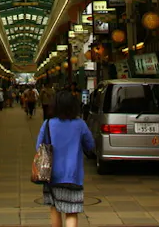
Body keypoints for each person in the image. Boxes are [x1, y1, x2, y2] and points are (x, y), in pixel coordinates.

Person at [37, 90, 95, 227]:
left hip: (51, 175)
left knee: (55, 208)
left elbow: (39, 147)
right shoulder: (80, 124)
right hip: (73, 175)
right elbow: (90, 145)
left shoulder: (48, 124)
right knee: (72, 212)